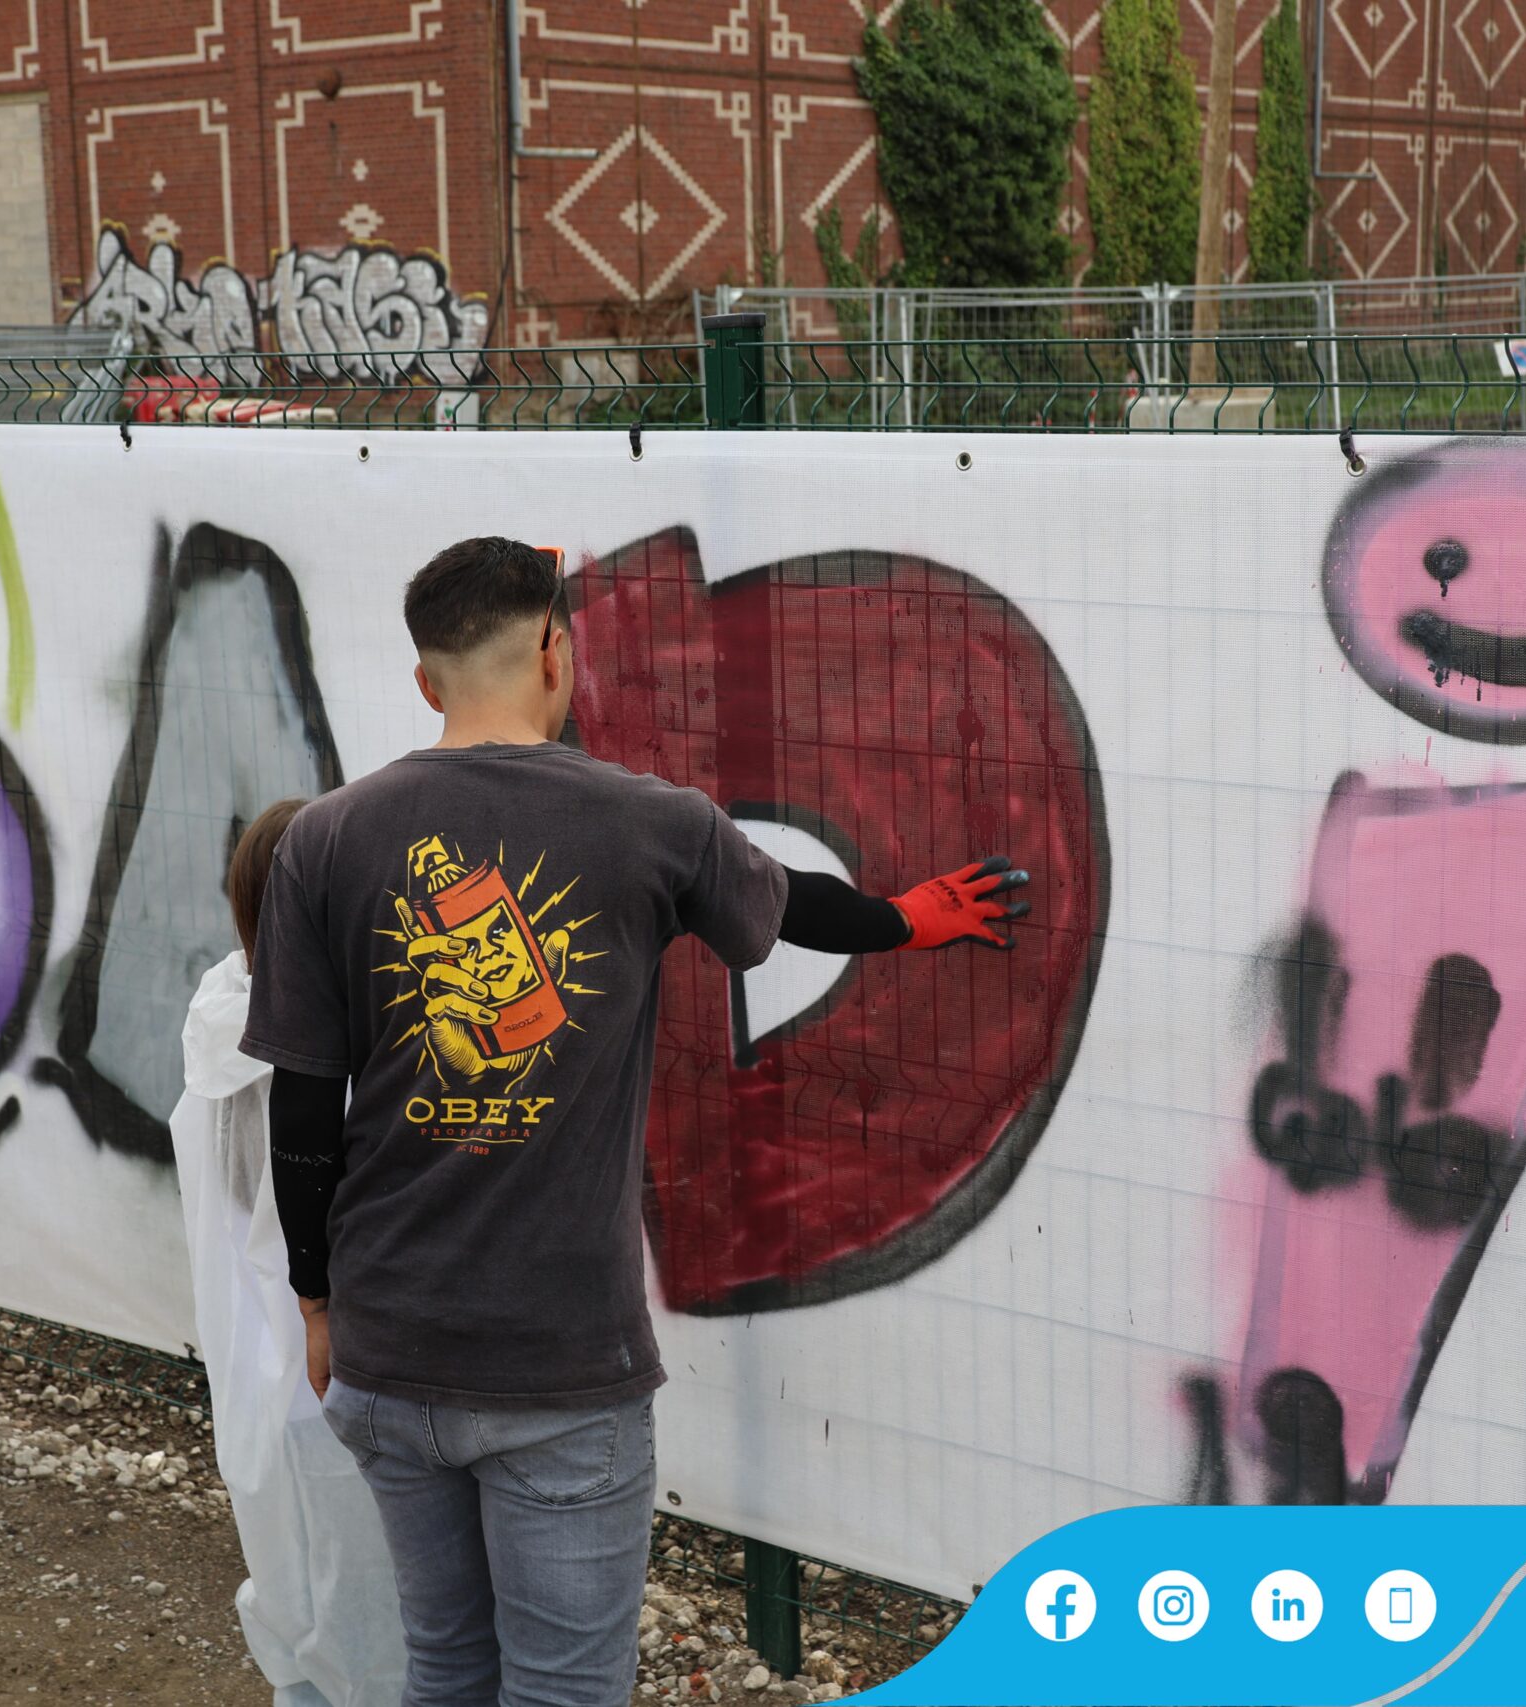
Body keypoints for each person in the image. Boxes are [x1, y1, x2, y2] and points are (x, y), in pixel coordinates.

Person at [241, 538, 1028, 1706]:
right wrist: (908, 918)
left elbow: (303, 1104)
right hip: (562, 1364)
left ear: (425, 680)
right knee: (564, 1689)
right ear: (554, 654)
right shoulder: (650, 823)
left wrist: (317, 1301)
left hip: (387, 1348)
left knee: (445, 1666)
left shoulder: (326, 838)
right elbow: (796, 906)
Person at [168, 798, 408, 1705]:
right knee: (378, 1615)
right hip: (345, 1355)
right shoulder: (335, 1043)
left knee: (295, 1600)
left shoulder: (220, 1014)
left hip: (255, 1372)